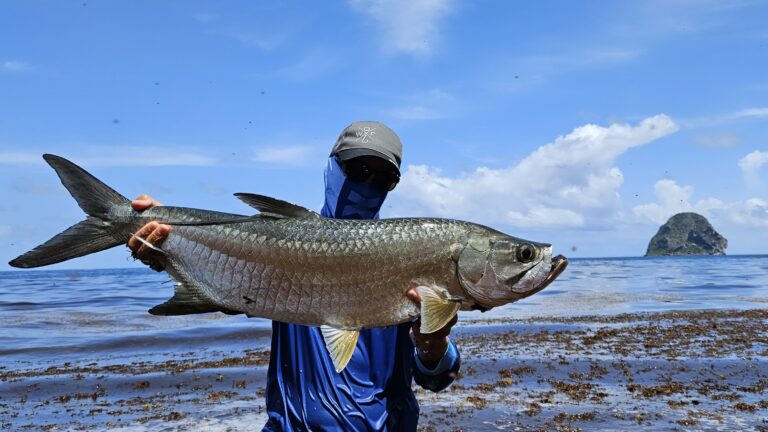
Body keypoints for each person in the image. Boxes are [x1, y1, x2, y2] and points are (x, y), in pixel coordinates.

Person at [128, 121, 461, 431]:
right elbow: (235, 285)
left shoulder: (409, 251)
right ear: (332, 167)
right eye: (359, 170)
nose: (368, 185)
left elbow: (437, 377)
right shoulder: (286, 243)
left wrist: (433, 342)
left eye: (383, 179)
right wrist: (168, 237)